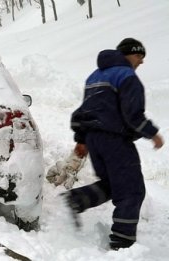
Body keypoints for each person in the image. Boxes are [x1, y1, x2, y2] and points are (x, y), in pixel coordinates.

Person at [63, 38, 164, 250]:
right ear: (128, 54)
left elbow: (85, 111)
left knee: (113, 184)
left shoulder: (95, 76)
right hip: (114, 141)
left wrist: (82, 139)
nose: (141, 62)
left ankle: (76, 200)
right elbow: (133, 115)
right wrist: (153, 134)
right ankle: (123, 244)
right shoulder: (127, 76)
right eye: (139, 56)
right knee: (131, 191)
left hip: (94, 140)